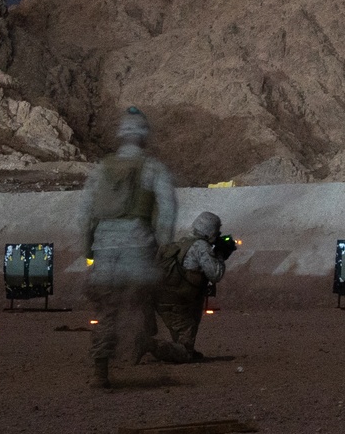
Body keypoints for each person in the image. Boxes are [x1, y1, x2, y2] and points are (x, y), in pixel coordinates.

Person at [78, 106, 176, 387]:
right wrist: (163, 246)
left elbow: (85, 216)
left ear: (121, 135)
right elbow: (167, 211)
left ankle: (101, 371)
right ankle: (141, 351)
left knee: (106, 311)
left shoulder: (101, 169)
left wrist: (88, 252)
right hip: (139, 248)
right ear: (145, 136)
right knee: (141, 303)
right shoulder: (153, 168)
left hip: (104, 250)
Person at [148, 211, 231, 364]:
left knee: (184, 340)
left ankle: (180, 348)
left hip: (165, 301)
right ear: (211, 231)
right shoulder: (201, 247)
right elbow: (216, 274)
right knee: (185, 353)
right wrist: (220, 255)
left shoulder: (183, 242)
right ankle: (148, 345)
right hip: (179, 304)